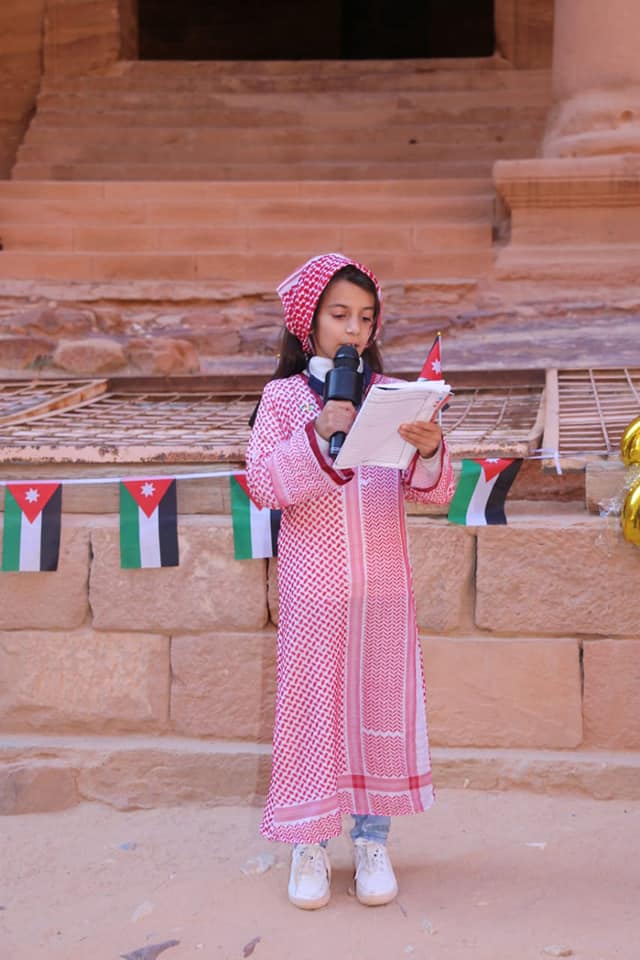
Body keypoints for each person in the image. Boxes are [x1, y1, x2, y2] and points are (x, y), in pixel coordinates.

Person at [245, 253, 455, 910]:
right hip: (314, 589)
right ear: (308, 322)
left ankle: (372, 841)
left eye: (365, 318)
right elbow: (263, 483)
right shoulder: (283, 399)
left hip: (383, 589)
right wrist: (317, 434)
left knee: (378, 708)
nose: (354, 330)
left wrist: (428, 447)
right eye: (340, 315)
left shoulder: (392, 395)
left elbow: (432, 491)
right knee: (312, 712)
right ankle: (309, 844)